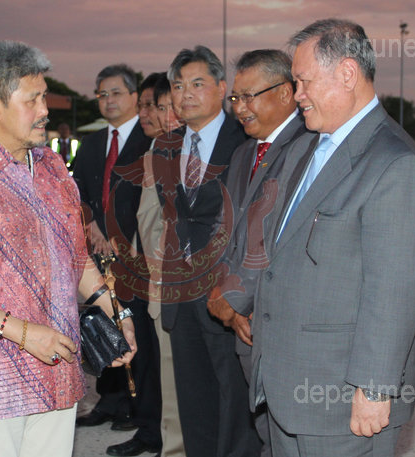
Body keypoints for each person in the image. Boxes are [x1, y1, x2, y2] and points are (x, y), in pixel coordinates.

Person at [0, 41, 136, 457]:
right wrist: (24, 333)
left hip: (59, 367)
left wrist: (117, 313)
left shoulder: (54, 169)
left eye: (44, 98)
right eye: (31, 100)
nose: (44, 110)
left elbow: (76, 257)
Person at [250, 19, 415, 457]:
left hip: (338, 402)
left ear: (347, 74)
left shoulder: (395, 165)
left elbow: (394, 291)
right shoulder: (305, 147)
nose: (297, 95)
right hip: (285, 386)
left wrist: (374, 387)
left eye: (303, 82)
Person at [155, 45, 258, 457]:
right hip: (180, 297)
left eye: (197, 84)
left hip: (226, 294)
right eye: (178, 86)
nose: (185, 94)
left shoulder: (245, 142)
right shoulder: (165, 147)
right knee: (193, 402)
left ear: (221, 88)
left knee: (235, 404)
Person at [206, 49, 306, 457]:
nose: (239, 108)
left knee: (290, 434)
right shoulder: (245, 152)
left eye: (249, 97)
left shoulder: (307, 147)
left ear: (285, 93)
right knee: (267, 431)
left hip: (275, 320)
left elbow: (275, 239)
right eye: (235, 98)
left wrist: (233, 301)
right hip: (243, 322)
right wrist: (221, 294)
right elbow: (226, 229)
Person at [72, 64, 160, 457]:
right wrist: (90, 226)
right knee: (104, 326)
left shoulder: (148, 138)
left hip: (135, 254)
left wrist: (119, 237)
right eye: (101, 94)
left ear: (133, 96)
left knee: (135, 329)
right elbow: (78, 192)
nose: (108, 101)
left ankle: (139, 411)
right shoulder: (91, 143)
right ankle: (109, 401)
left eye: (115, 93)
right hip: (98, 254)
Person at [136, 72, 186, 457]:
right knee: (173, 396)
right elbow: (149, 222)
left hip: (212, 291)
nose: (168, 117)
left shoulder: (223, 146)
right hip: (166, 288)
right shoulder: (156, 152)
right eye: (162, 107)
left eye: (174, 107)